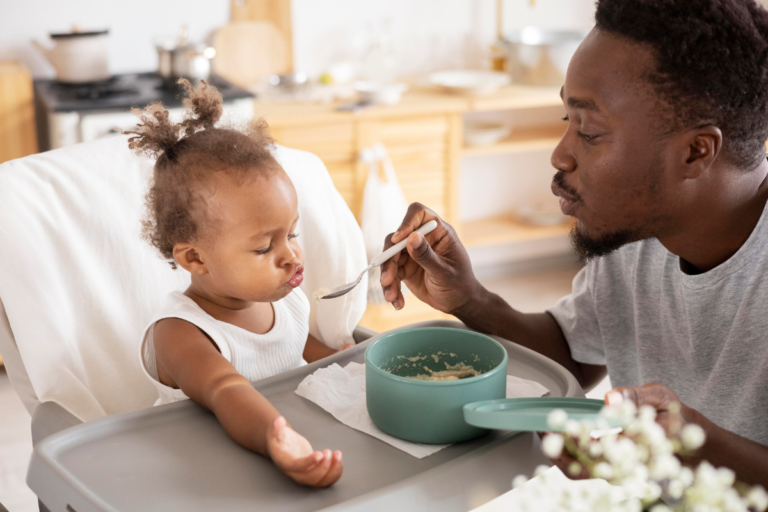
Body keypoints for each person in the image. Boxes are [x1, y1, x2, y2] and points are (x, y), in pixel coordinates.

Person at [380, 0, 768, 486]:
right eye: (567, 120)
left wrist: (698, 448)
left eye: (589, 132)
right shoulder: (637, 235)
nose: (560, 154)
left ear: (695, 152)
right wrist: (469, 298)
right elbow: (570, 355)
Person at [128, 80, 349, 487]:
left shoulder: (282, 297)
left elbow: (297, 346)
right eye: (265, 247)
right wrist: (275, 436)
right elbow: (227, 389)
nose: (291, 256)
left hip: (285, 447)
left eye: (293, 234)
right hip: (205, 477)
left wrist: (341, 359)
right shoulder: (180, 333)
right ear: (195, 259)